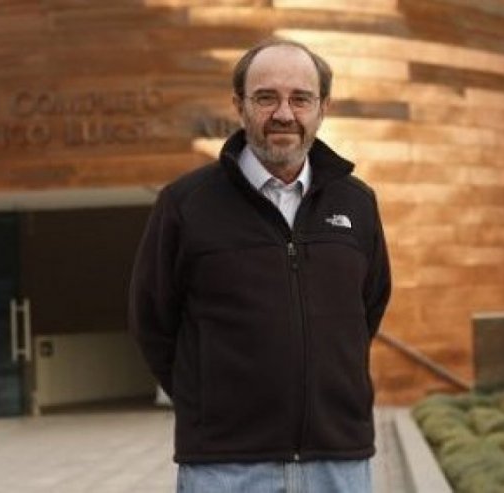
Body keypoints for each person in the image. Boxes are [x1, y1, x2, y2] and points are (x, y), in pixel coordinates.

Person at [128, 38, 392, 493]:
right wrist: (209, 401)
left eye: (301, 98)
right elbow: (152, 320)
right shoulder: (185, 205)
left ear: (322, 107)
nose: (284, 113)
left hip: (338, 464)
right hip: (225, 469)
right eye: (266, 97)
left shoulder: (358, 203)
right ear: (239, 106)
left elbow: (368, 308)